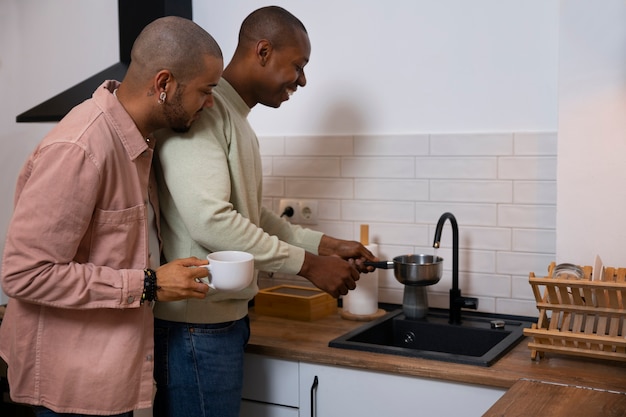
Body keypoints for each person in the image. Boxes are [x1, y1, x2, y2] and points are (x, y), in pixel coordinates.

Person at [153, 6, 377, 417]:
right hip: (195, 326)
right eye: (298, 65)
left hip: (218, 322)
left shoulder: (233, 115)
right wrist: (309, 265)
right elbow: (212, 221)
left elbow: (249, 216)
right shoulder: (204, 110)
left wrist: (327, 245)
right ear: (262, 51)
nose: (303, 80)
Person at [0, 16, 223, 417]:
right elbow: (24, 273)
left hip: (106, 377)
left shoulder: (138, 141)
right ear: (164, 84)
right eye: (205, 91)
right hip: (68, 385)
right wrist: (150, 284)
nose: (210, 104)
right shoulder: (81, 148)